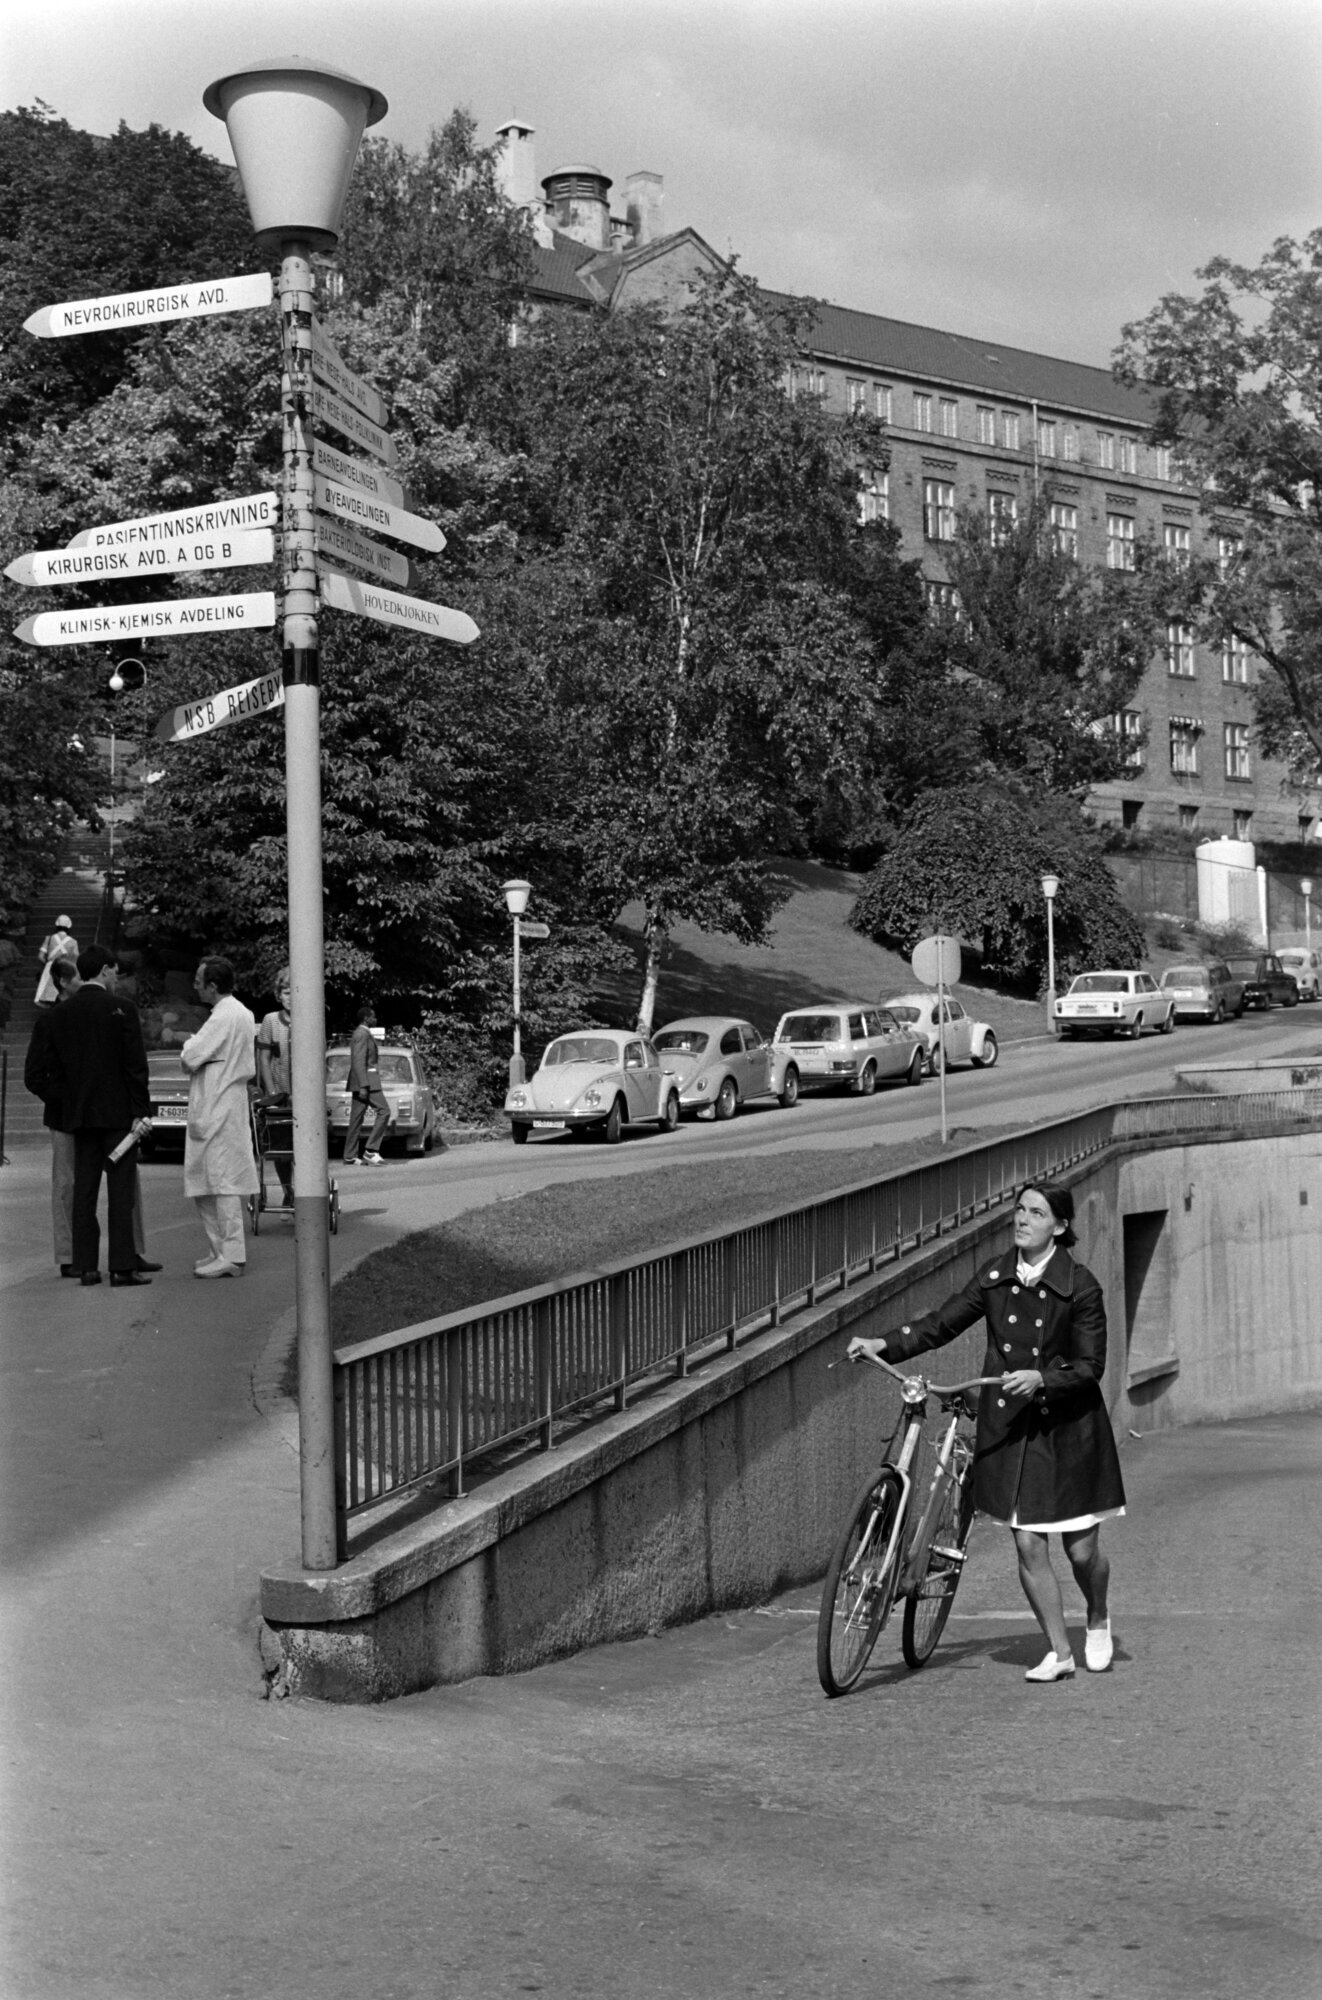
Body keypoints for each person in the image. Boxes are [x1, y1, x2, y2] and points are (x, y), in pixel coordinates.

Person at [848, 1179, 1125, 1682]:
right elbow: (941, 1323)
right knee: (1027, 1543)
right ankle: (1060, 1652)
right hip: (1016, 1431)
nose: (1022, 1219)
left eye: (1036, 1213)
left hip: (1068, 1429)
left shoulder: (1080, 1286)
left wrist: (1043, 1377)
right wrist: (883, 1345)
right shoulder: (996, 1276)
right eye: (1020, 1210)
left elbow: (1091, 1366)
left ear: (1060, 1227)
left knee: (1081, 1550)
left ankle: (1098, 1615)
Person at [24, 957, 157, 1278]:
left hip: (80, 1113)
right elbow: (36, 1075)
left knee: (88, 1188)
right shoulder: (82, 1014)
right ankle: (91, 1257)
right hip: (87, 1113)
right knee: (82, 1186)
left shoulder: (67, 1015)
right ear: (63, 983)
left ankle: (92, 1261)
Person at [180, 958, 259, 1278]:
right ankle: (220, 1250)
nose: (195, 984)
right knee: (212, 1181)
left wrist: (188, 1042)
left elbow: (189, 1056)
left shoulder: (223, 1016)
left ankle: (231, 1254)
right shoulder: (241, 1013)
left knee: (220, 1182)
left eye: (200, 980)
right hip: (226, 1102)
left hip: (216, 1104)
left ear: (213, 986)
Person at [255, 968, 294, 1208]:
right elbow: (264, 1058)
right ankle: (287, 1191)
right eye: (286, 993)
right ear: (279, 995)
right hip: (279, 1094)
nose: (290, 998)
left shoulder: (310, 1018)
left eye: (294, 992)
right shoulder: (271, 1020)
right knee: (281, 1149)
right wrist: (271, 1092)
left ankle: (305, 1194)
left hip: (304, 1096)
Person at [343, 1004, 392, 1165]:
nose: (375, 1019)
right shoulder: (362, 1034)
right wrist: (364, 1085)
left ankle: (350, 1155)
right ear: (366, 1018)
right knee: (384, 1111)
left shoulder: (362, 1033)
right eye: (373, 1016)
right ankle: (371, 1150)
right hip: (367, 1082)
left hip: (361, 1081)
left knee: (356, 1118)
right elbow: (358, 1060)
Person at [34, 915, 79, 1007]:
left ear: (56, 926)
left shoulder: (49, 938)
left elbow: (40, 956)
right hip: (66, 968)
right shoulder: (73, 942)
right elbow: (75, 958)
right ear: (69, 927)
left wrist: (48, 963)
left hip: (49, 968)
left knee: (47, 994)